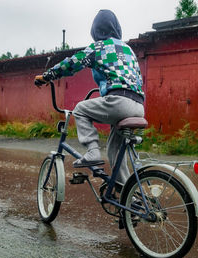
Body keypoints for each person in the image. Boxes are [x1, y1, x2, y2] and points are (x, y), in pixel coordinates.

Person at [35, 9, 145, 186]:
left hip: (118, 102)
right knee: (115, 151)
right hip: (138, 105)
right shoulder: (128, 49)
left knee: (80, 109)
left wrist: (48, 76)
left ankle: (92, 151)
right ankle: (126, 195)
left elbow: (71, 64)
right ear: (117, 28)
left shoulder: (99, 47)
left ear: (95, 31)